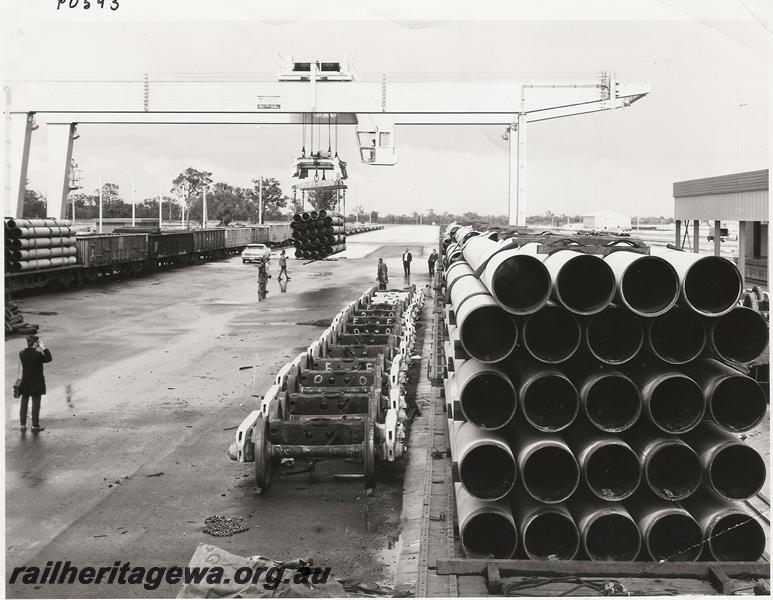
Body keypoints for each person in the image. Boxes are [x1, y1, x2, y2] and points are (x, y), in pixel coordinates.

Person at [18, 335, 52, 432]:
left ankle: (22, 425)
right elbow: (49, 358)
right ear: (35, 343)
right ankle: (35, 426)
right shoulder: (38, 355)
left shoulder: (21, 353)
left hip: (25, 383)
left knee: (24, 404)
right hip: (36, 384)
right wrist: (43, 348)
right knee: (35, 405)